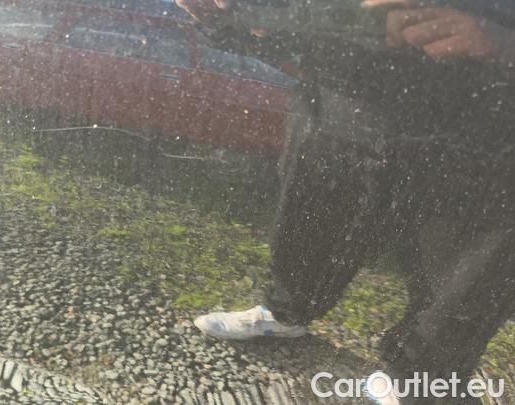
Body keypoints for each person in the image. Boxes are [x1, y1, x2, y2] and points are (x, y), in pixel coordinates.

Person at [178, 0, 515, 402]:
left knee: (465, 276)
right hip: (341, 103)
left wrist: (504, 41)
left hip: (485, 131)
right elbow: (295, 33)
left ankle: (423, 384)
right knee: (307, 221)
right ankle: (286, 313)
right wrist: (232, 21)